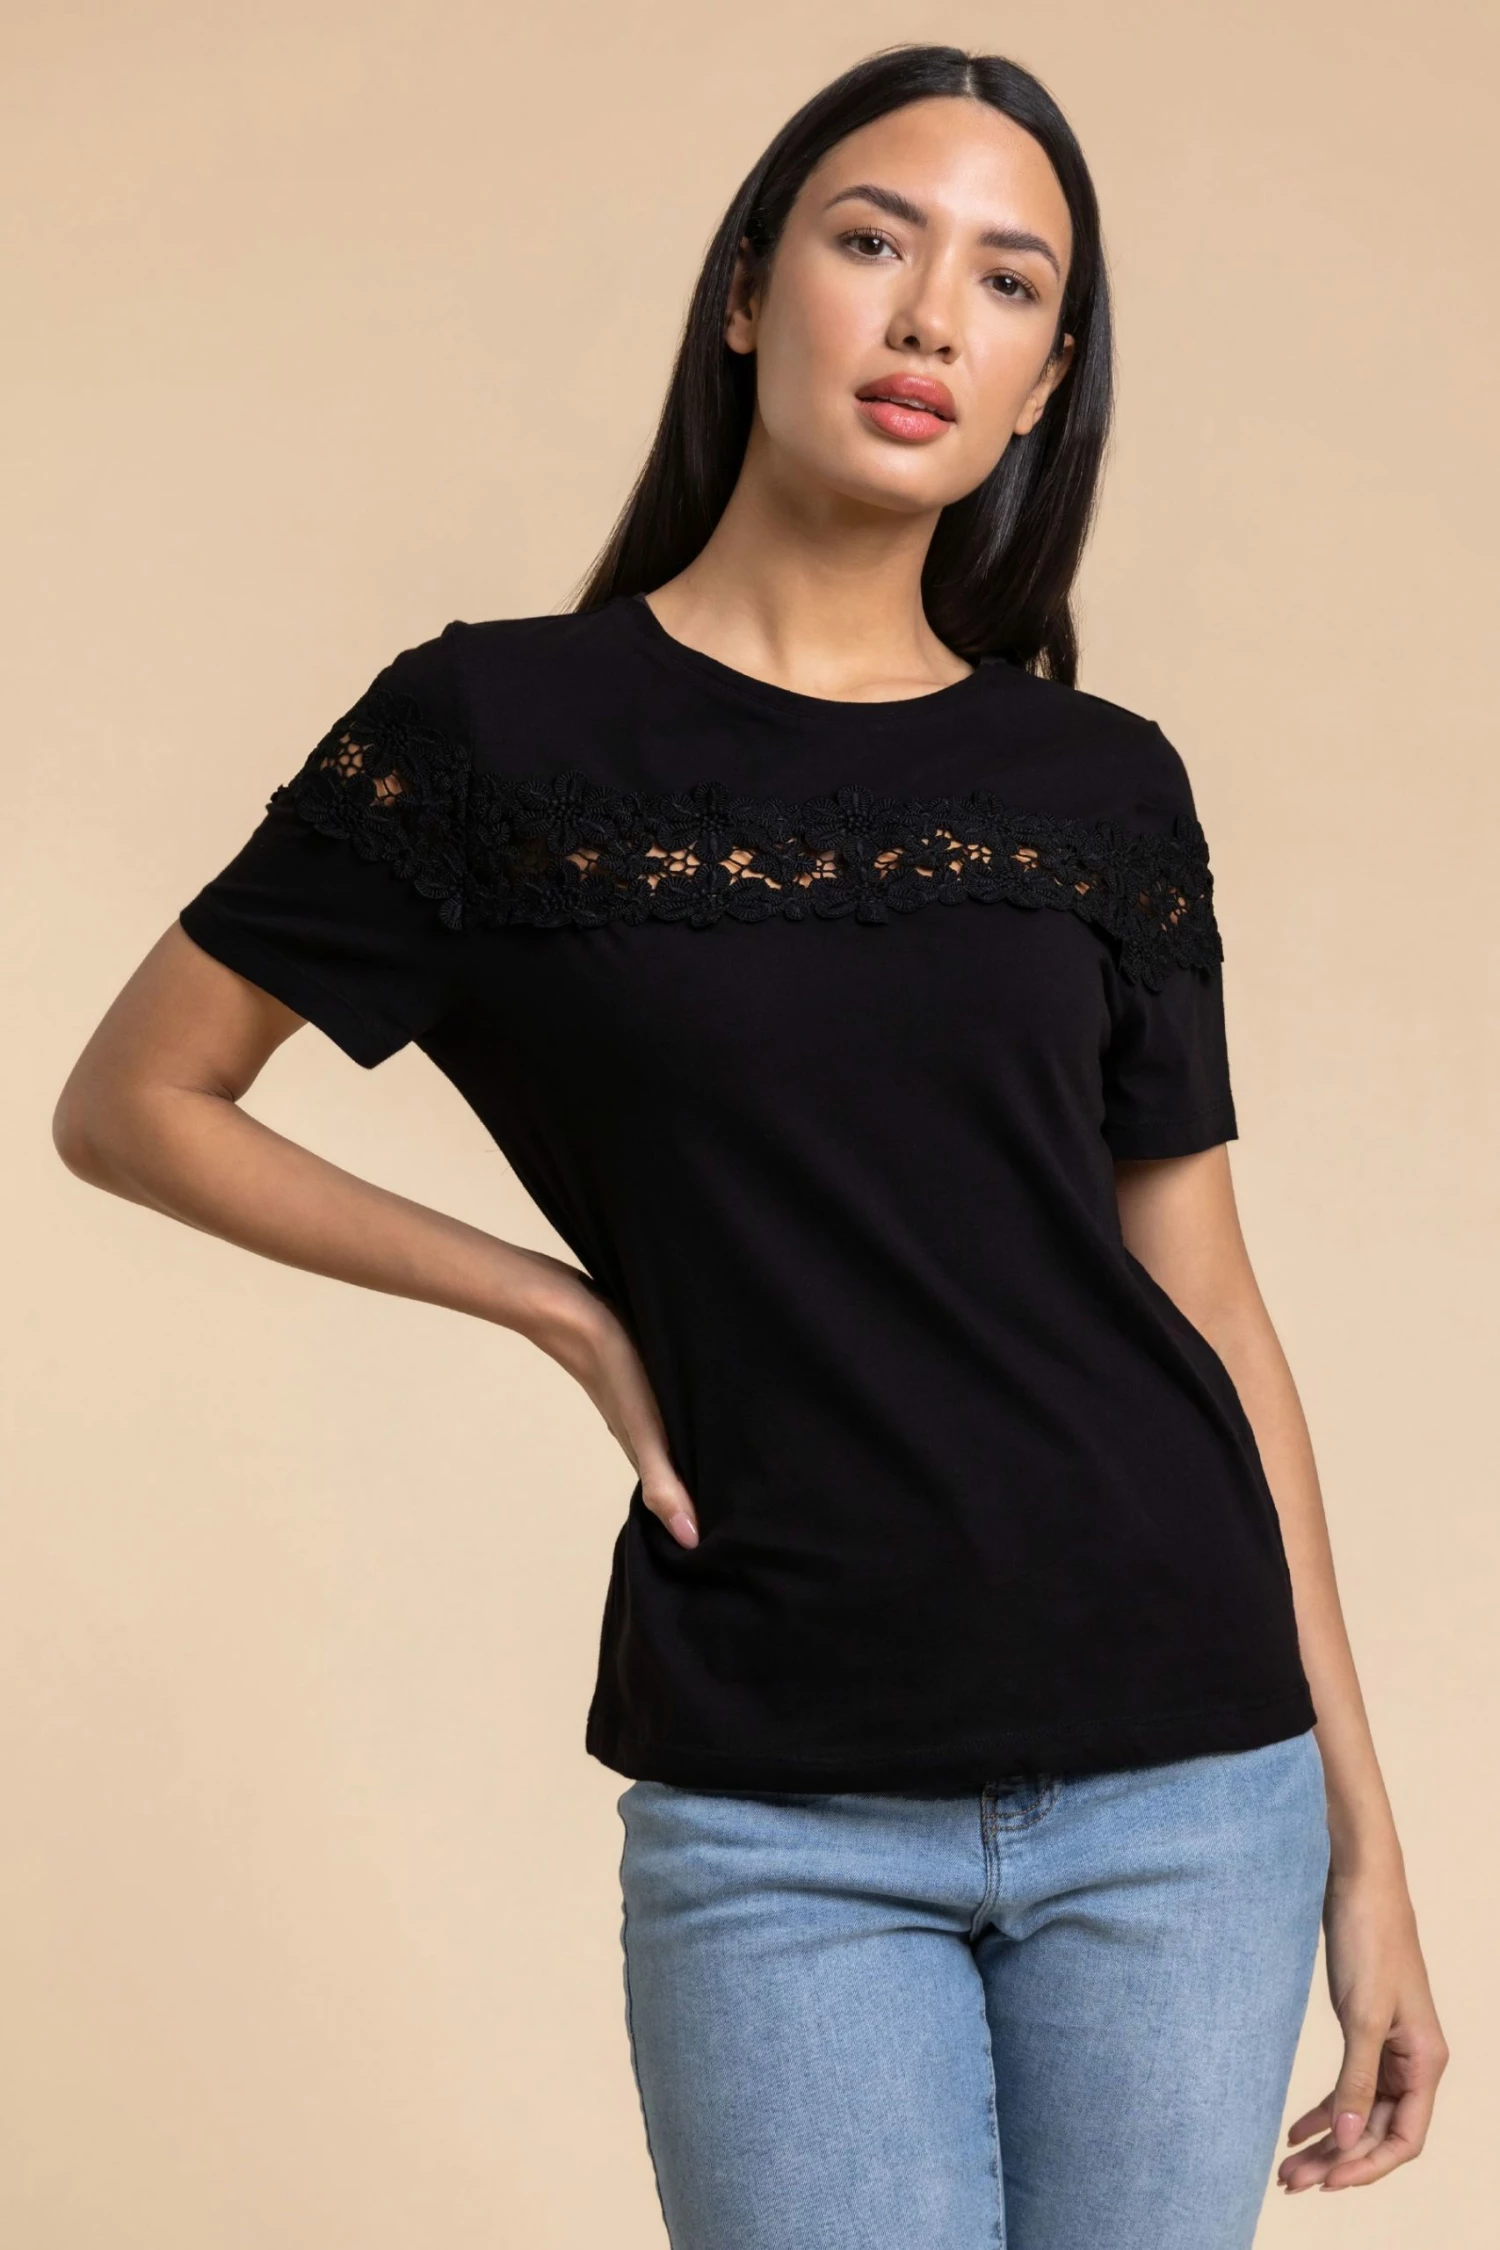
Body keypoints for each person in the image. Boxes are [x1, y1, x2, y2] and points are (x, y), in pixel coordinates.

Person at [51, 40, 1446, 2250]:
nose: (929, 317)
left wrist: (1369, 1846)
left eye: (1008, 283)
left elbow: (1210, 1306)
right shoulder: (492, 734)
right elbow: (133, 1100)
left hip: (1192, 1785)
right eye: (874, 241)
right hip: (781, 1803)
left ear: (1041, 384)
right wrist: (555, 1306)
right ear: (745, 289)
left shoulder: (1101, 785)